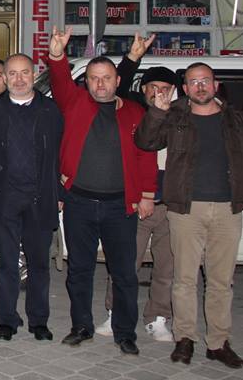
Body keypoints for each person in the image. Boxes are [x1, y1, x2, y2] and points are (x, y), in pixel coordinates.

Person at [136, 62, 243, 369]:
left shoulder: (236, 120)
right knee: (184, 279)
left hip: (228, 210)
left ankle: (218, 343)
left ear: (215, 85)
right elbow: (145, 142)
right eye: (193, 82)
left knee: (221, 281)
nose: (200, 87)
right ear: (185, 89)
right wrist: (157, 111)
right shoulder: (175, 116)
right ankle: (185, 338)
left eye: (205, 81)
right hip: (186, 209)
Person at [45, 27, 157, 356]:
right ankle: (82, 326)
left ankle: (125, 332)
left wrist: (147, 194)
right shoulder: (76, 103)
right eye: (93, 79)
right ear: (86, 82)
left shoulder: (135, 112)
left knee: (124, 273)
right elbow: (60, 81)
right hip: (79, 202)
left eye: (106, 78)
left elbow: (146, 155)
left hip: (120, 208)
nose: (100, 84)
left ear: (118, 80)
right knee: (79, 270)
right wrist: (57, 55)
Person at [96, 35, 176, 343]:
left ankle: (158, 318)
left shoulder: (181, 116)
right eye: (153, 87)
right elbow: (117, 84)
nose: (159, 93)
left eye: (165, 88)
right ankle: (116, 313)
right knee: (124, 263)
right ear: (143, 90)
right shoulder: (132, 110)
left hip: (171, 205)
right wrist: (132, 58)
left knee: (166, 266)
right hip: (135, 202)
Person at [0, 54, 63, 342]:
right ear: (4, 78)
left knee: (39, 264)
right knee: (6, 263)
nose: (19, 79)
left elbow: (60, 154)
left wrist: (59, 192)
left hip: (39, 198)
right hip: (5, 197)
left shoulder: (50, 110)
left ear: (34, 75)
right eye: (13, 74)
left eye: (25, 73)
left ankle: (39, 321)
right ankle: (6, 319)